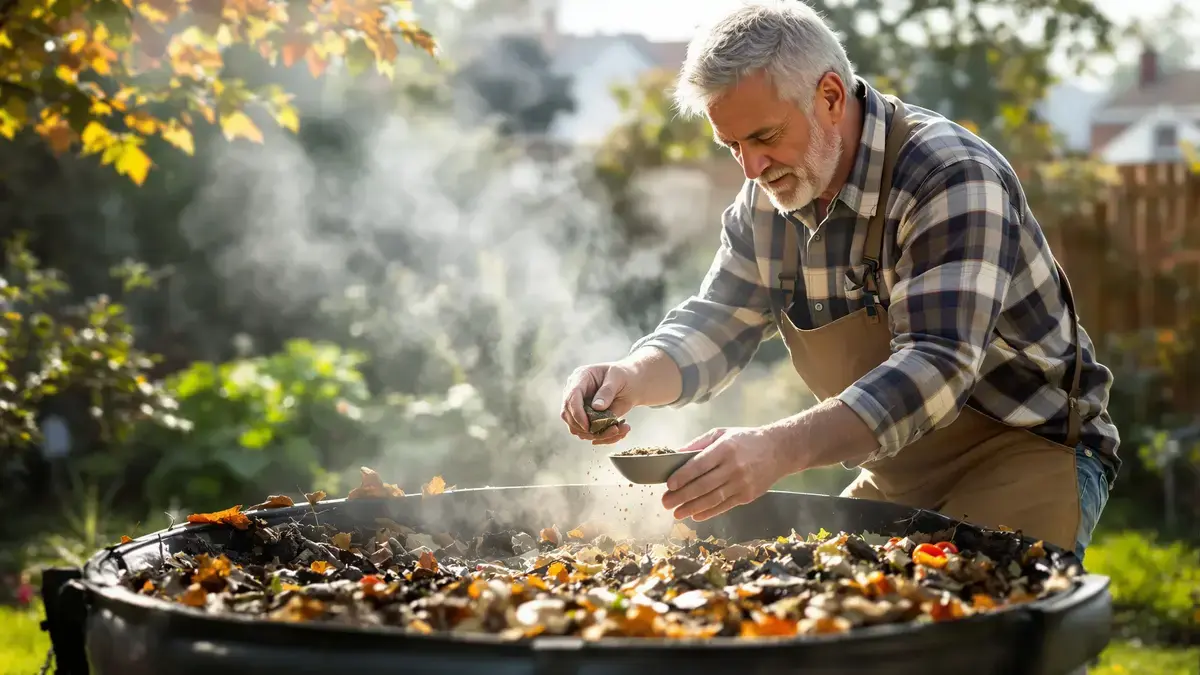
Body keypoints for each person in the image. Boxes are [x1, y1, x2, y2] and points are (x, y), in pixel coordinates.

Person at [560, 0, 1119, 561]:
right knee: (826, 615)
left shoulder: (948, 175)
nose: (751, 169)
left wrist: (776, 449)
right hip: (895, 469)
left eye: (764, 136)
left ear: (829, 96)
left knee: (960, 640)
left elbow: (938, 365)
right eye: (732, 147)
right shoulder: (766, 201)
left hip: (1025, 455)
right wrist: (630, 376)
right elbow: (718, 320)